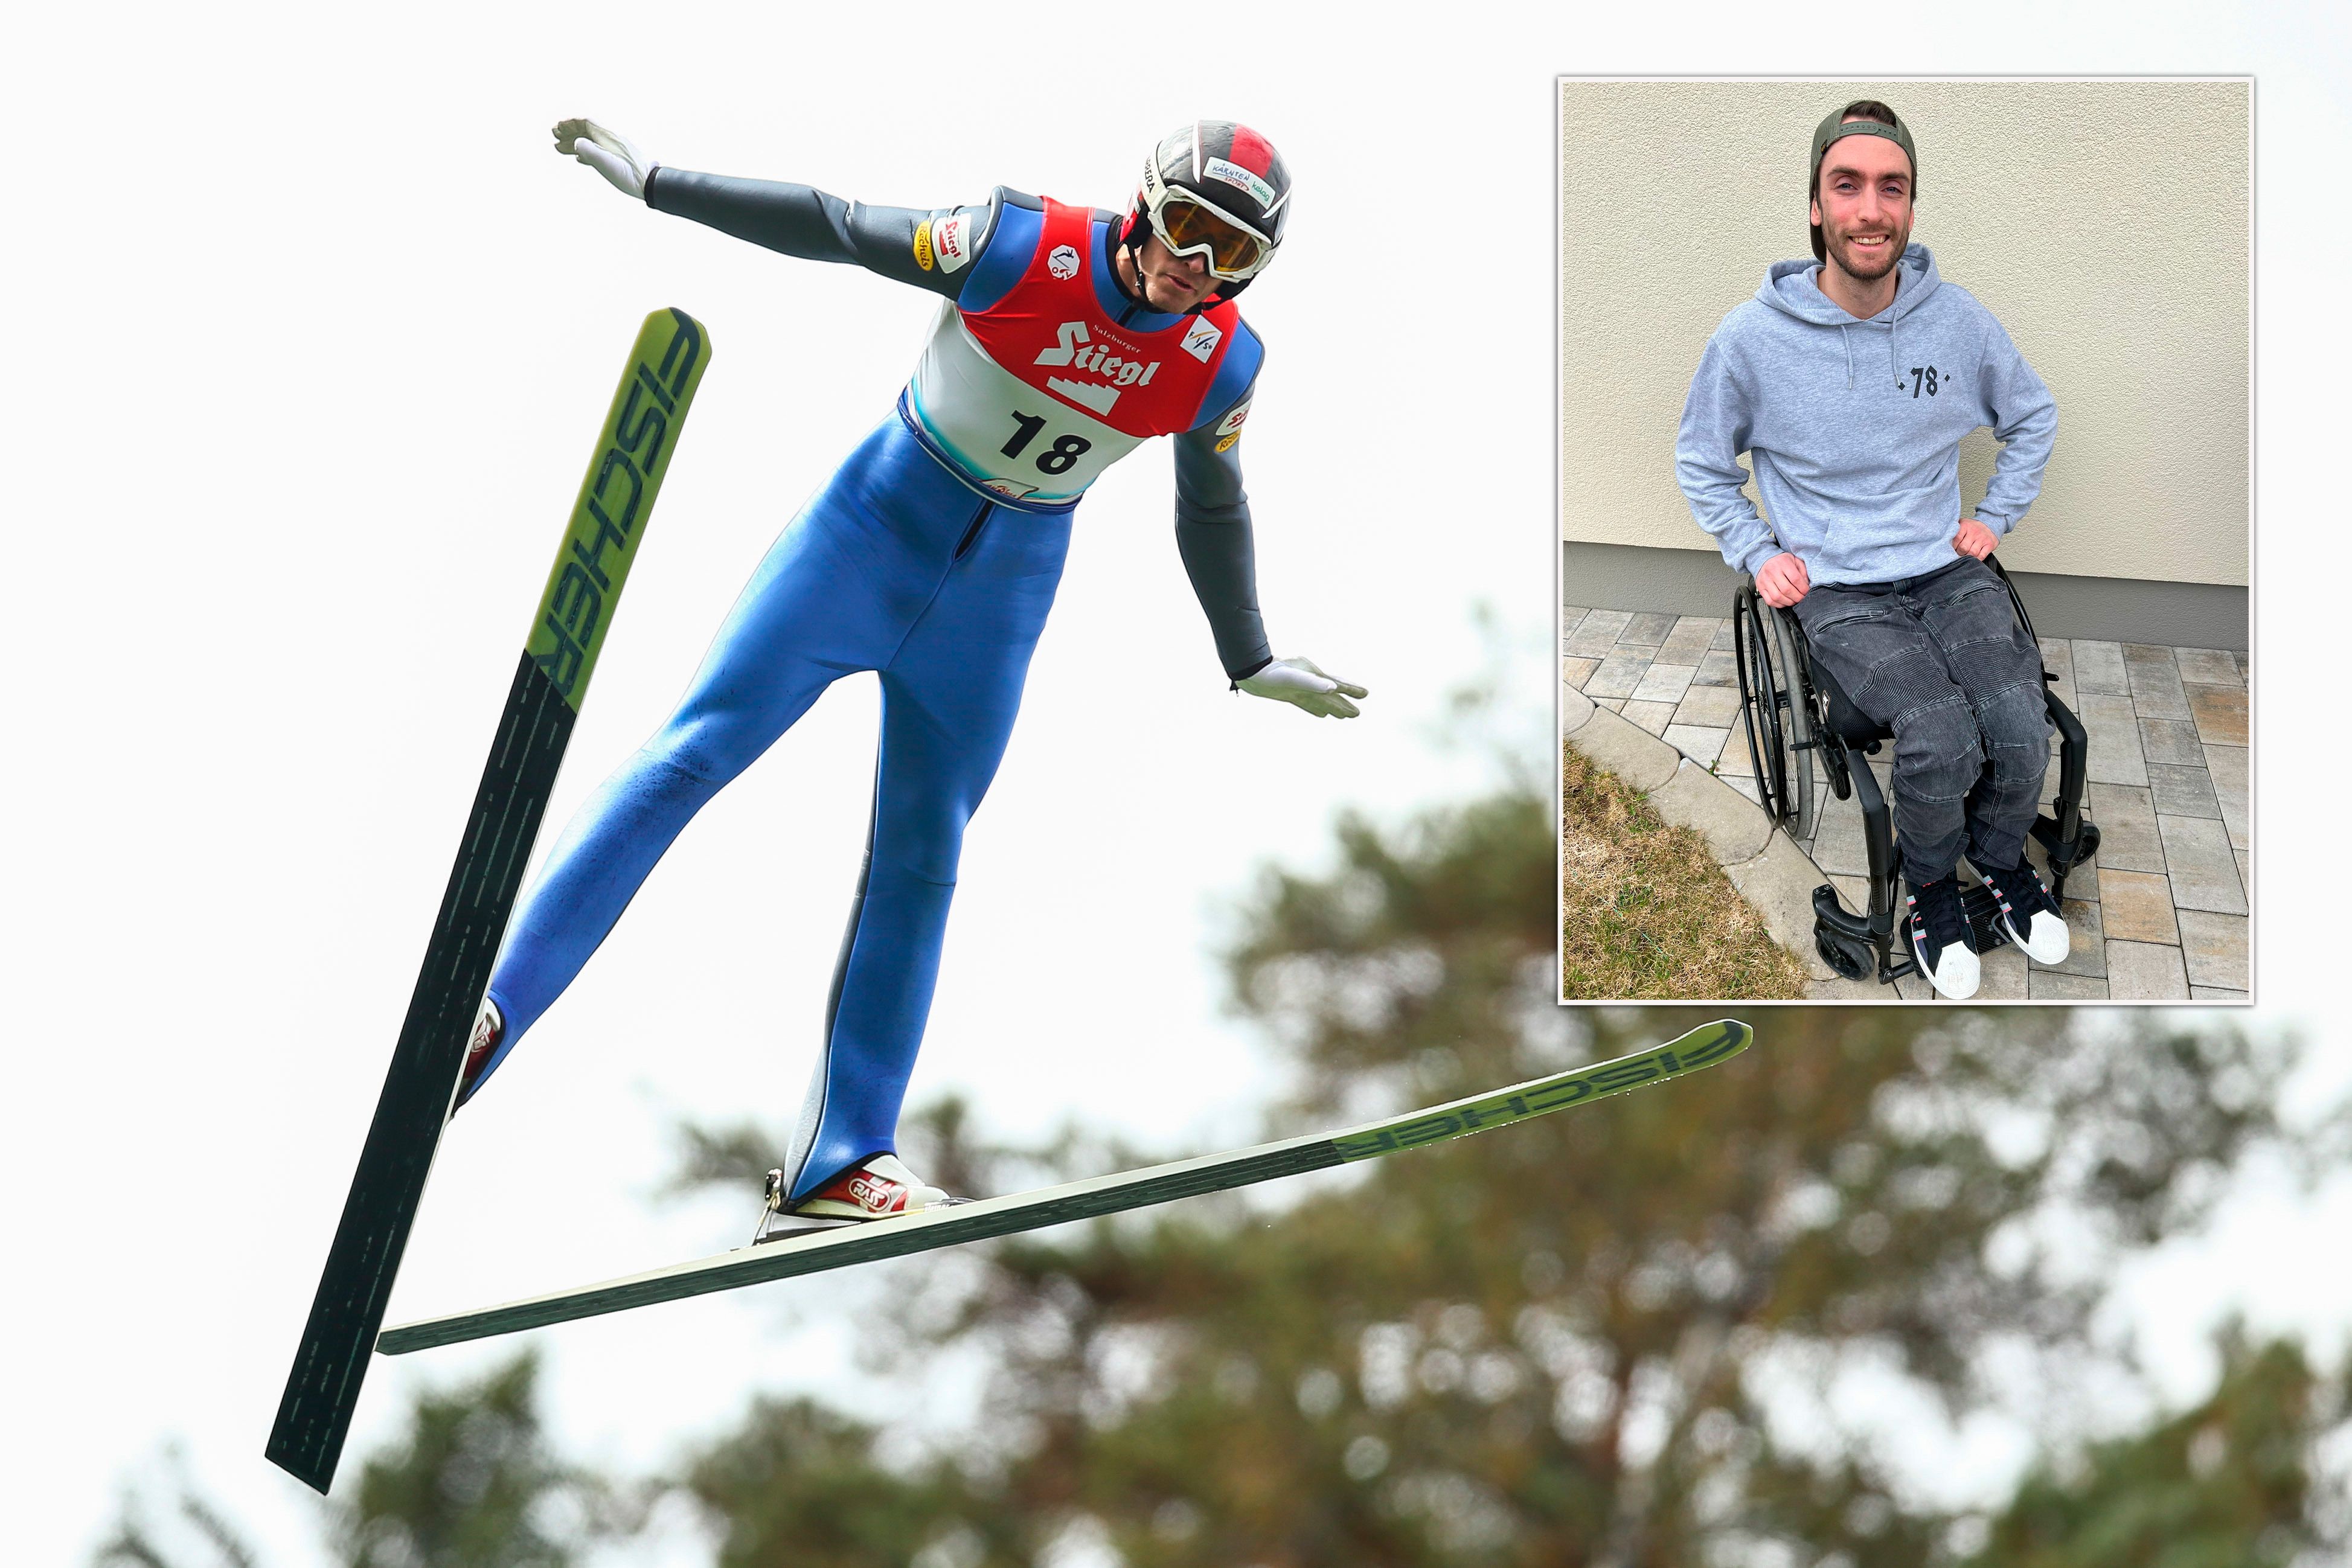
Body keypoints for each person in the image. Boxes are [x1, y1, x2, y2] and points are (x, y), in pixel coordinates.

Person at [457, 117, 1365, 1225]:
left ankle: (837, 1160)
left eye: (1232, 256)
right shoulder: (1020, 244)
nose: (1195, 266)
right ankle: (489, 1010)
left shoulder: (1224, 361)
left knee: (926, 850)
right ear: (1144, 203)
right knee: (698, 751)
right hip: (873, 530)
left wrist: (1249, 654)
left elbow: (1211, 504)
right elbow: (836, 226)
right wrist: (659, 185)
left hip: (1004, 593)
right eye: (1185, 226)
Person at [1674, 101, 2065, 1000]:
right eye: (1846, 185)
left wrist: (1995, 516)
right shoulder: (1751, 339)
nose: (1870, 207)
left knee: (2017, 716)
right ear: (1815, 205)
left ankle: (2001, 865)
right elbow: (1701, 459)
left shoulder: (1956, 321)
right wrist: (1753, 546)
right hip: (1839, 584)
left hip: (1943, 561)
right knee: (1936, 732)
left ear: (1912, 210)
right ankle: (1931, 891)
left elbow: (2034, 417)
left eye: (1892, 187)